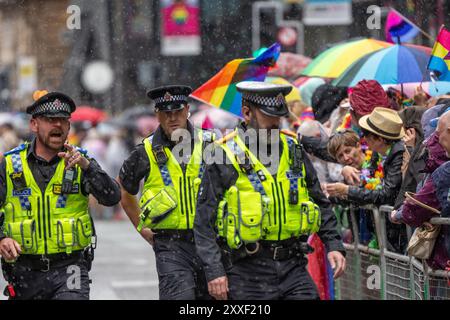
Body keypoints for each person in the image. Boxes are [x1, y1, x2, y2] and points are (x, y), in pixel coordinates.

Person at [194, 81, 346, 300]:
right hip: (247, 272)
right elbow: (203, 222)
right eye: (269, 117)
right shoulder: (223, 155)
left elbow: (319, 201)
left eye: (279, 117)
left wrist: (334, 244)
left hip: (293, 266)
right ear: (247, 113)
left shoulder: (293, 149)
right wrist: (214, 271)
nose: (276, 123)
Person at [0, 90, 121, 300]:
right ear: (34, 124)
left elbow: (111, 197)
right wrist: (2, 239)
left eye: (63, 120)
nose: (57, 125)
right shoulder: (10, 165)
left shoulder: (81, 161)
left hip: (70, 269)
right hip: (24, 272)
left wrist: (88, 168)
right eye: (50, 120)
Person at [118, 85, 215, 300]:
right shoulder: (145, 150)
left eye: (177, 111)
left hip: (211, 241)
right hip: (171, 245)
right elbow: (125, 189)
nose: (172, 118)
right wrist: (142, 228)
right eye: (166, 113)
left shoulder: (212, 143)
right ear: (157, 115)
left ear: (187, 110)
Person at [326, 107, 407, 252]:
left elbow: (386, 194)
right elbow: (366, 185)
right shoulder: (377, 154)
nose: (364, 139)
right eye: (340, 156)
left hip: (398, 232)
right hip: (380, 232)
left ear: (380, 139)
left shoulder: (398, 154)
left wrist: (348, 190)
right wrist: (340, 192)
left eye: (367, 135)